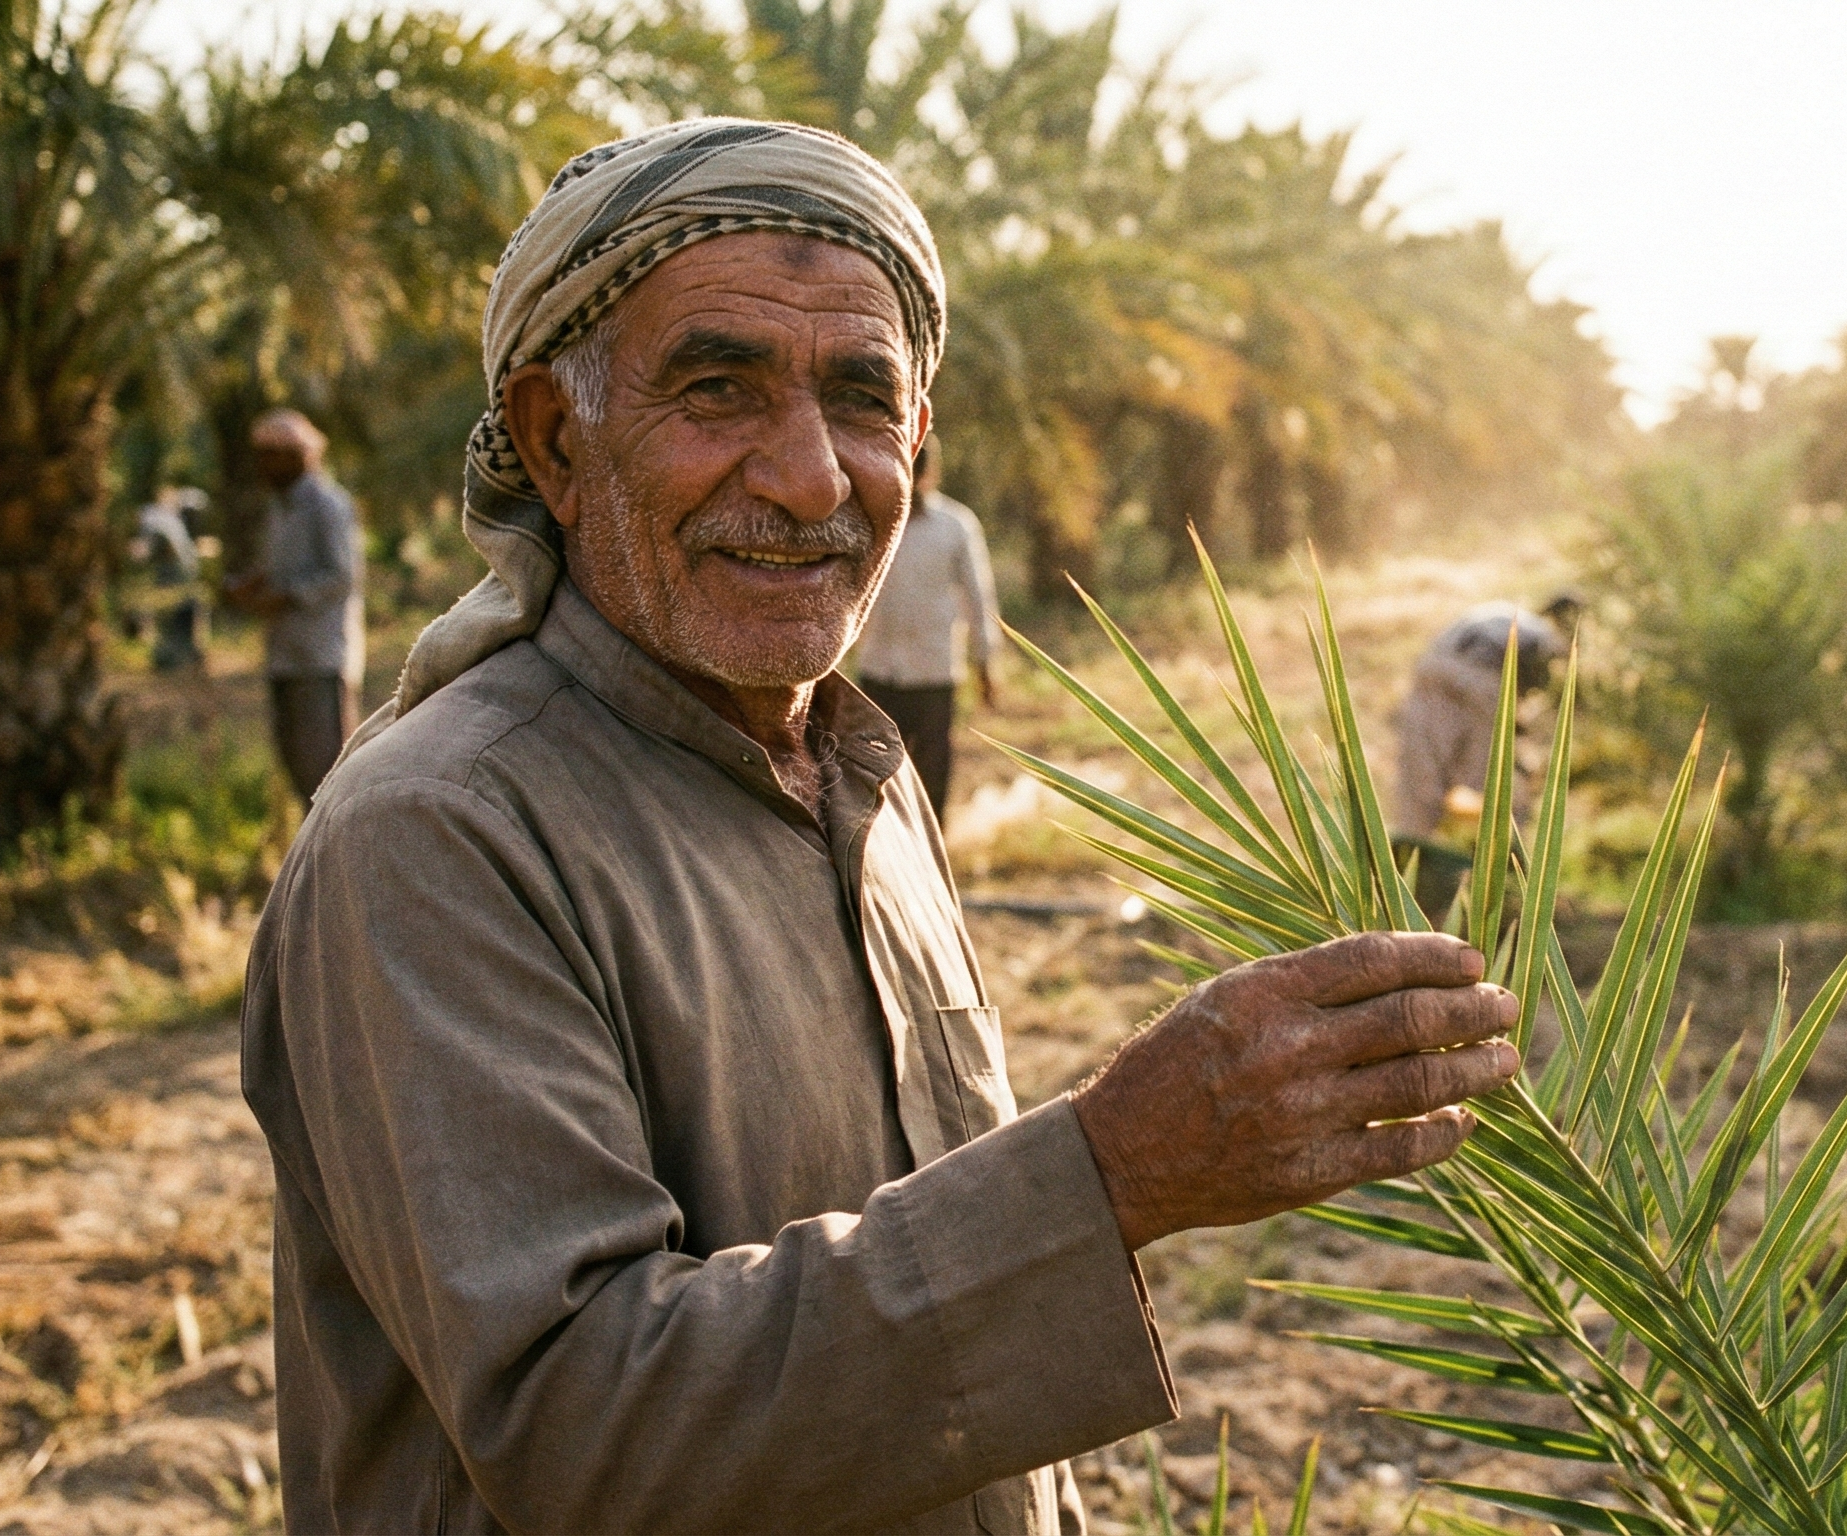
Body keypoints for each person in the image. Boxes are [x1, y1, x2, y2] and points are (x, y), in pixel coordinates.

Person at [239, 118, 1519, 1535]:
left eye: (860, 400)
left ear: (914, 437)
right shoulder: (438, 835)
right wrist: (1110, 1172)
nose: (810, 477)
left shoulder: (859, 775)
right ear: (556, 440)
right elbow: (580, 1429)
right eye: (717, 390)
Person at [222, 409, 363, 806]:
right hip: (284, 654)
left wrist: (286, 597)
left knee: (326, 771)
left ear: (298, 455)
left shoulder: (328, 505)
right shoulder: (280, 507)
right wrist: (252, 584)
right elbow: (280, 568)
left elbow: (342, 576)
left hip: (320, 655)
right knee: (298, 767)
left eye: (270, 455)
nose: (262, 464)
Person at [852, 438, 1000, 816]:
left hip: (934, 673)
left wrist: (985, 663)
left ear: (930, 473)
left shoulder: (956, 526)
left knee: (933, 776)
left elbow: (979, 599)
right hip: (879, 672)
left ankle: (933, 847)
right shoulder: (870, 520)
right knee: (875, 778)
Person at [1390, 594, 1582, 841]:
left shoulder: (1502, 612)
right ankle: (1508, 847)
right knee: (1492, 776)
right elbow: (1526, 686)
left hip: (1431, 671)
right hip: (1480, 682)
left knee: (1424, 766)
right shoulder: (1543, 635)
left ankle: (1413, 842)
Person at [127, 485, 205, 674]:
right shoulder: (169, 520)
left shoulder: (154, 520)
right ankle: (187, 658)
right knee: (183, 618)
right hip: (184, 576)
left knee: (171, 621)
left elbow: (146, 550)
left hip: (173, 579)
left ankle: (171, 660)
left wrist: (136, 553)